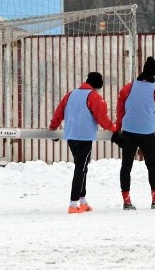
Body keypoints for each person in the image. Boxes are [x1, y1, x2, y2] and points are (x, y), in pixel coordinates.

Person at [49, 72, 120, 214]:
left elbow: (59, 112)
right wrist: (114, 129)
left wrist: (53, 127)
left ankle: (82, 200)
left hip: (71, 136)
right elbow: (101, 117)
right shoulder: (94, 97)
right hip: (84, 137)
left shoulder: (70, 95)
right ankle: (73, 204)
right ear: (97, 83)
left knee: (82, 167)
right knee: (80, 169)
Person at [116, 56, 155, 210]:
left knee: (126, 166)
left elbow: (120, 111)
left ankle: (126, 201)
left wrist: (118, 129)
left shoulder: (127, 88)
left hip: (129, 131)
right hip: (147, 132)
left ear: (143, 70)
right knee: (152, 165)